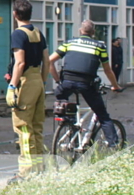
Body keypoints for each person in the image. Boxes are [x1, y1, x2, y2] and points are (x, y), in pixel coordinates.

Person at [49, 20, 122, 148]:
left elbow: (49, 61)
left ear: (80, 31)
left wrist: (58, 81)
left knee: (63, 100)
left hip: (67, 83)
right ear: (93, 33)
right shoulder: (99, 46)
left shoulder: (69, 43)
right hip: (86, 84)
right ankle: (114, 145)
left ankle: (70, 124)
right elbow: (107, 70)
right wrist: (115, 85)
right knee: (103, 115)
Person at [7, 0, 50, 179]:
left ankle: (26, 173)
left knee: (23, 128)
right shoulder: (39, 33)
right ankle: (40, 169)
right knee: (37, 127)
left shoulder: (18, 34)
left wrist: (12, 86)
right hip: (38, 81)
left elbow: (20, 62)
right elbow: (46, 61)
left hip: (25, 82)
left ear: (15, 14)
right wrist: (42, 82)